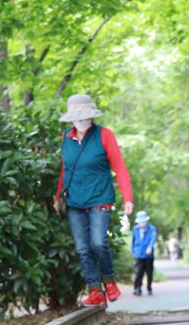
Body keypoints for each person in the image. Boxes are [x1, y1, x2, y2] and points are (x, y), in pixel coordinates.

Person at [53, 94, 134, 306]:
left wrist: (128, 197)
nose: (80, 120)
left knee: (98, 242)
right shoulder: (66, 138)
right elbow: (65, 170)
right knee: (82, 248)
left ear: (91, 116)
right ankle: (95, 290)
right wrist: (57, 196)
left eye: (84, 116)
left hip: (99, 197)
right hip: (75, 202)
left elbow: (120, 167)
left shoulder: (104, 135)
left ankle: (109, 281)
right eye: (76, 117)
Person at [132, 211, 157, 296]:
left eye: (143, 221)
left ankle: (149, 287)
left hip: (148, 255)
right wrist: (133, 251)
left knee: (149, 272)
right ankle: (137, 288)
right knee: (138, 272)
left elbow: (153, 238)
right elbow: (133, 240)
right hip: (138, 254)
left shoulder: (151, 229)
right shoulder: (135, 229)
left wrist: (150, 247)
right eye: (140, 222)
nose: (141, 223)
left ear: (146, 221)